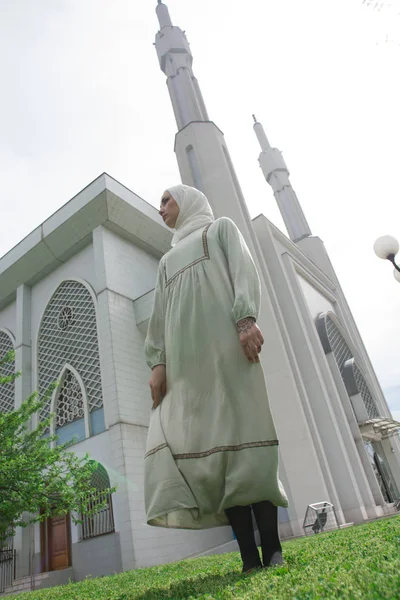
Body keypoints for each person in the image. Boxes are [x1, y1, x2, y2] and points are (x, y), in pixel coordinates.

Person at [144, 184, 288, 572]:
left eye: (166, 200)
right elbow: (159, 318)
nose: (161, 208)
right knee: (219, 461)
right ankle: (247, 559)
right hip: (189, 372)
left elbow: (243, 271)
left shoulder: (220, 229)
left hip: (232, 352)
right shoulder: (166, 261)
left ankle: (272, 550)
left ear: (187, 201)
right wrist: (158, 363)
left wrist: (246, 321)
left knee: (250, 451)